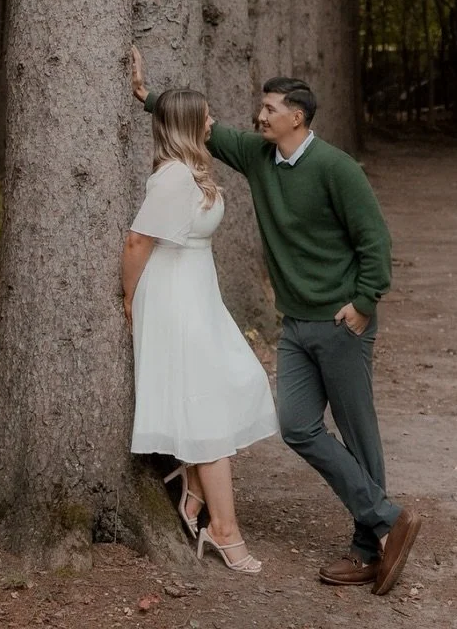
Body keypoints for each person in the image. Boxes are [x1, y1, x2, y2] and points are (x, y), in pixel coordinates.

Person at [130, 48, 422, 597]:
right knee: (297, 426)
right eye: (260, 108)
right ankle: (388, 518)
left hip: (342, 323)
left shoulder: (336, 168)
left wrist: (364, 302)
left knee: (359, 434)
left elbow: (374, 241)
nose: (258, 116)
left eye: (269, 108)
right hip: (295, 326)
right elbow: (200, 127)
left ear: (297, 116)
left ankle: (369, 548)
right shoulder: (259, 157)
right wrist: (148, 97)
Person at [122, 86, 279, 574]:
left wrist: (146, 90)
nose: (213, 123)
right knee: (208, 408)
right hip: (174, 300)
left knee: (234, 383)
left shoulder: (190, 169)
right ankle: (224, 530)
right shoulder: (172, 177)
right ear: (190, 125)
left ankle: (192, 486)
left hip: (199, 295)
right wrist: (130, 299)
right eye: (207, 118)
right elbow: (136, 241)